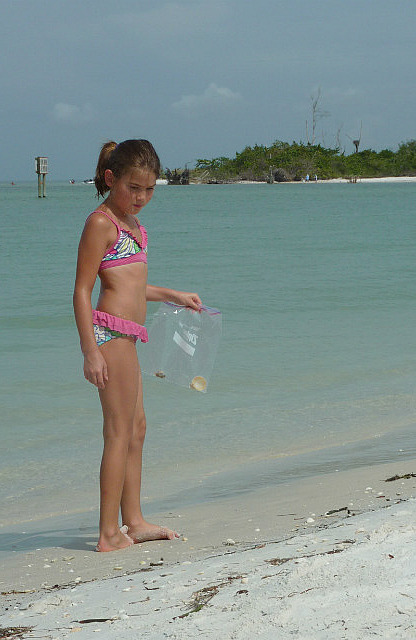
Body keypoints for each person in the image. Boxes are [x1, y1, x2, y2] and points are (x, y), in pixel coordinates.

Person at [73, 139, 201, 552]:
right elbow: (81, 291)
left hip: (129, 336)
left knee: (137, 429)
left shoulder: (135, 227)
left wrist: (172, 295)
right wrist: (90, 349)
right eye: (133, 188)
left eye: (149, 189)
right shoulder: (101, 223)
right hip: (109, 335)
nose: (141, 197)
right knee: (118, 432)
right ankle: (108, 533)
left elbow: (132, 285)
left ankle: (134, 521)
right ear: (111, 179)